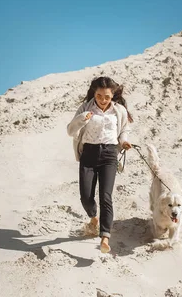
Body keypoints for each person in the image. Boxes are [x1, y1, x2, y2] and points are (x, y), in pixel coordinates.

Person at [66, 76, 133, 253]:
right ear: (94, 93)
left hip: (110, 154)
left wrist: (124, 141)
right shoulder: (86, 108)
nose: (103, 100)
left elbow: (124, 129)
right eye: (99, 96)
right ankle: (93, 218)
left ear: (113, 96)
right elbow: (70, 130)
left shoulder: (119, 110)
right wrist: (82, 119)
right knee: (86, 197)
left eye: (107, 97)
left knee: (106, 196)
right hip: (88, 154)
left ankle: (105, 237)